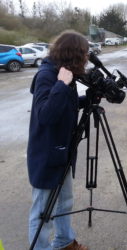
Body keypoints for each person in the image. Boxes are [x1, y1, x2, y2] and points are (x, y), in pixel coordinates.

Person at [27, 31, 89, 250]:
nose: (86, 59)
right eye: (84, 54)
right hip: (46, 155)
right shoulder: (47, 75)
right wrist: (62, 85)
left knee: (65, 202)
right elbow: (46, 115)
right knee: (43, 212)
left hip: (61, 151)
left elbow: (64, 106)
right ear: (73, 54)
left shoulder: (63, 73)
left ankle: (64, 241)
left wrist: (86, 100)